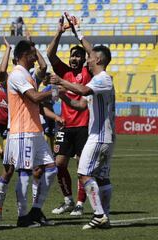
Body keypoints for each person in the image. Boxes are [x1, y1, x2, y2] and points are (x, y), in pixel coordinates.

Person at [50, 42, 114, 230]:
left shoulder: (102, 78)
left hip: (98, 135)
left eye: (90, 56)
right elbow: (80, 105)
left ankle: (99, 214)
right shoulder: (96, 80)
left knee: (83, 173)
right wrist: (62, 95)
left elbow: (83, 90)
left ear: (99, 59)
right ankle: (105, 216)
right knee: (101, 178)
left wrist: (61, 82)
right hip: (103, 136)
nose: (88, 58)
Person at [5, 39, 60, 228]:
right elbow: (34, 97)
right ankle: (22, 217)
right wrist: (53, 91)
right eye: (32, 56)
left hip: (35, 130)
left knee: (51, 168)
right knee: (25, 174)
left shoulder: (27, 74)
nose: (35, 59)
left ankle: (36, 210)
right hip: (22, 132)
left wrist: (36, 49)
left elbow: (44, 66)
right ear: (22, 56)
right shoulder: (16, 75)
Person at [47, 14, 93, 216]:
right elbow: (50, 54)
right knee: (59, 164)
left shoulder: (88, 72)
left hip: (84, 125)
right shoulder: (63, 71)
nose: (74, 59)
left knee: (82, 166)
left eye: (78, 56)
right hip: (65, 126)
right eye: (72, 56)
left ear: (83, 59)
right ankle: (67, 200)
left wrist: (77, 32)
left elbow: (93, 55)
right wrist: (59, 32)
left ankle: (81, 203)